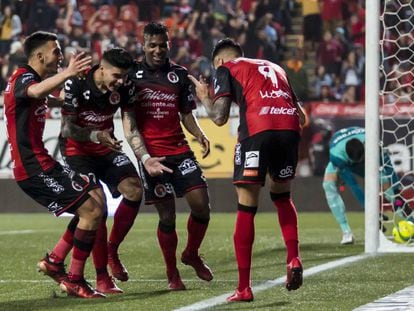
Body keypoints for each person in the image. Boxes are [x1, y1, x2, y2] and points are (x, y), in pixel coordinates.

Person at [189, 38, 305, 302]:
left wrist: (205, 98)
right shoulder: (276, 68)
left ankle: (243, 287)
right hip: (289, 131)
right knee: (282, 197)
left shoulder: (226, 67)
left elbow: (218, 118)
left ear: (219, 60)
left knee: (246, 206)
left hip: (257, 132)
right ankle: (294, 258)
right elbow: (302, 116)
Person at [59, 47, 171, 293]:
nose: (120, 82)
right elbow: (67, 129)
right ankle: (102, 278)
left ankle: (112, 250)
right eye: (116, 76)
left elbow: (129, 127)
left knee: (134, 189)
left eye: (124, 77)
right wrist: (96, 134)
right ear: (101, 68)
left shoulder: (126, 87)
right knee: (97, 207)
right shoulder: (76, 83)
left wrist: (145, 158)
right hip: (77, 151)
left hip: (105, 147)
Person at [3, 31, 105, 298]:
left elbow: (42, 96)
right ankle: (74, 279)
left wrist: (66, 98)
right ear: (39, 56)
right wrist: (69, 73)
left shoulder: (30, 81)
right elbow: (34, 91)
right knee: (91, 212)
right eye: (56, 51)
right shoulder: (24, 77)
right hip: (33, 169)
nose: (60, 56)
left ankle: (55, 261)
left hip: (44, 163)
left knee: (96, 205)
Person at [128, 22, 213, 290]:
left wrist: (199, 134)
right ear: (143, 45)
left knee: (202, 205)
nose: (157, 49)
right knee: (167, 217)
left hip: (179, 150)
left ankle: (191, 253)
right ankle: (171, 273)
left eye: (162, 44)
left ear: (169, 44)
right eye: (151, 45)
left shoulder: (179, 74)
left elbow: (186, 113)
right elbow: (127, 119)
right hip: (153, 156)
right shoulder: (132, 75)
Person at [321, 126, 402, 245]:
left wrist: (397, 191)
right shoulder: (337, 156)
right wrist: (371, 212)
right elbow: (353, 185)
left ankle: (409, 218)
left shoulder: (373, 142)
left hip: (367, 159)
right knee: (328, 185)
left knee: (388, 187)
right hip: (347, 163)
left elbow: (388, 166)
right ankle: (346, 232)